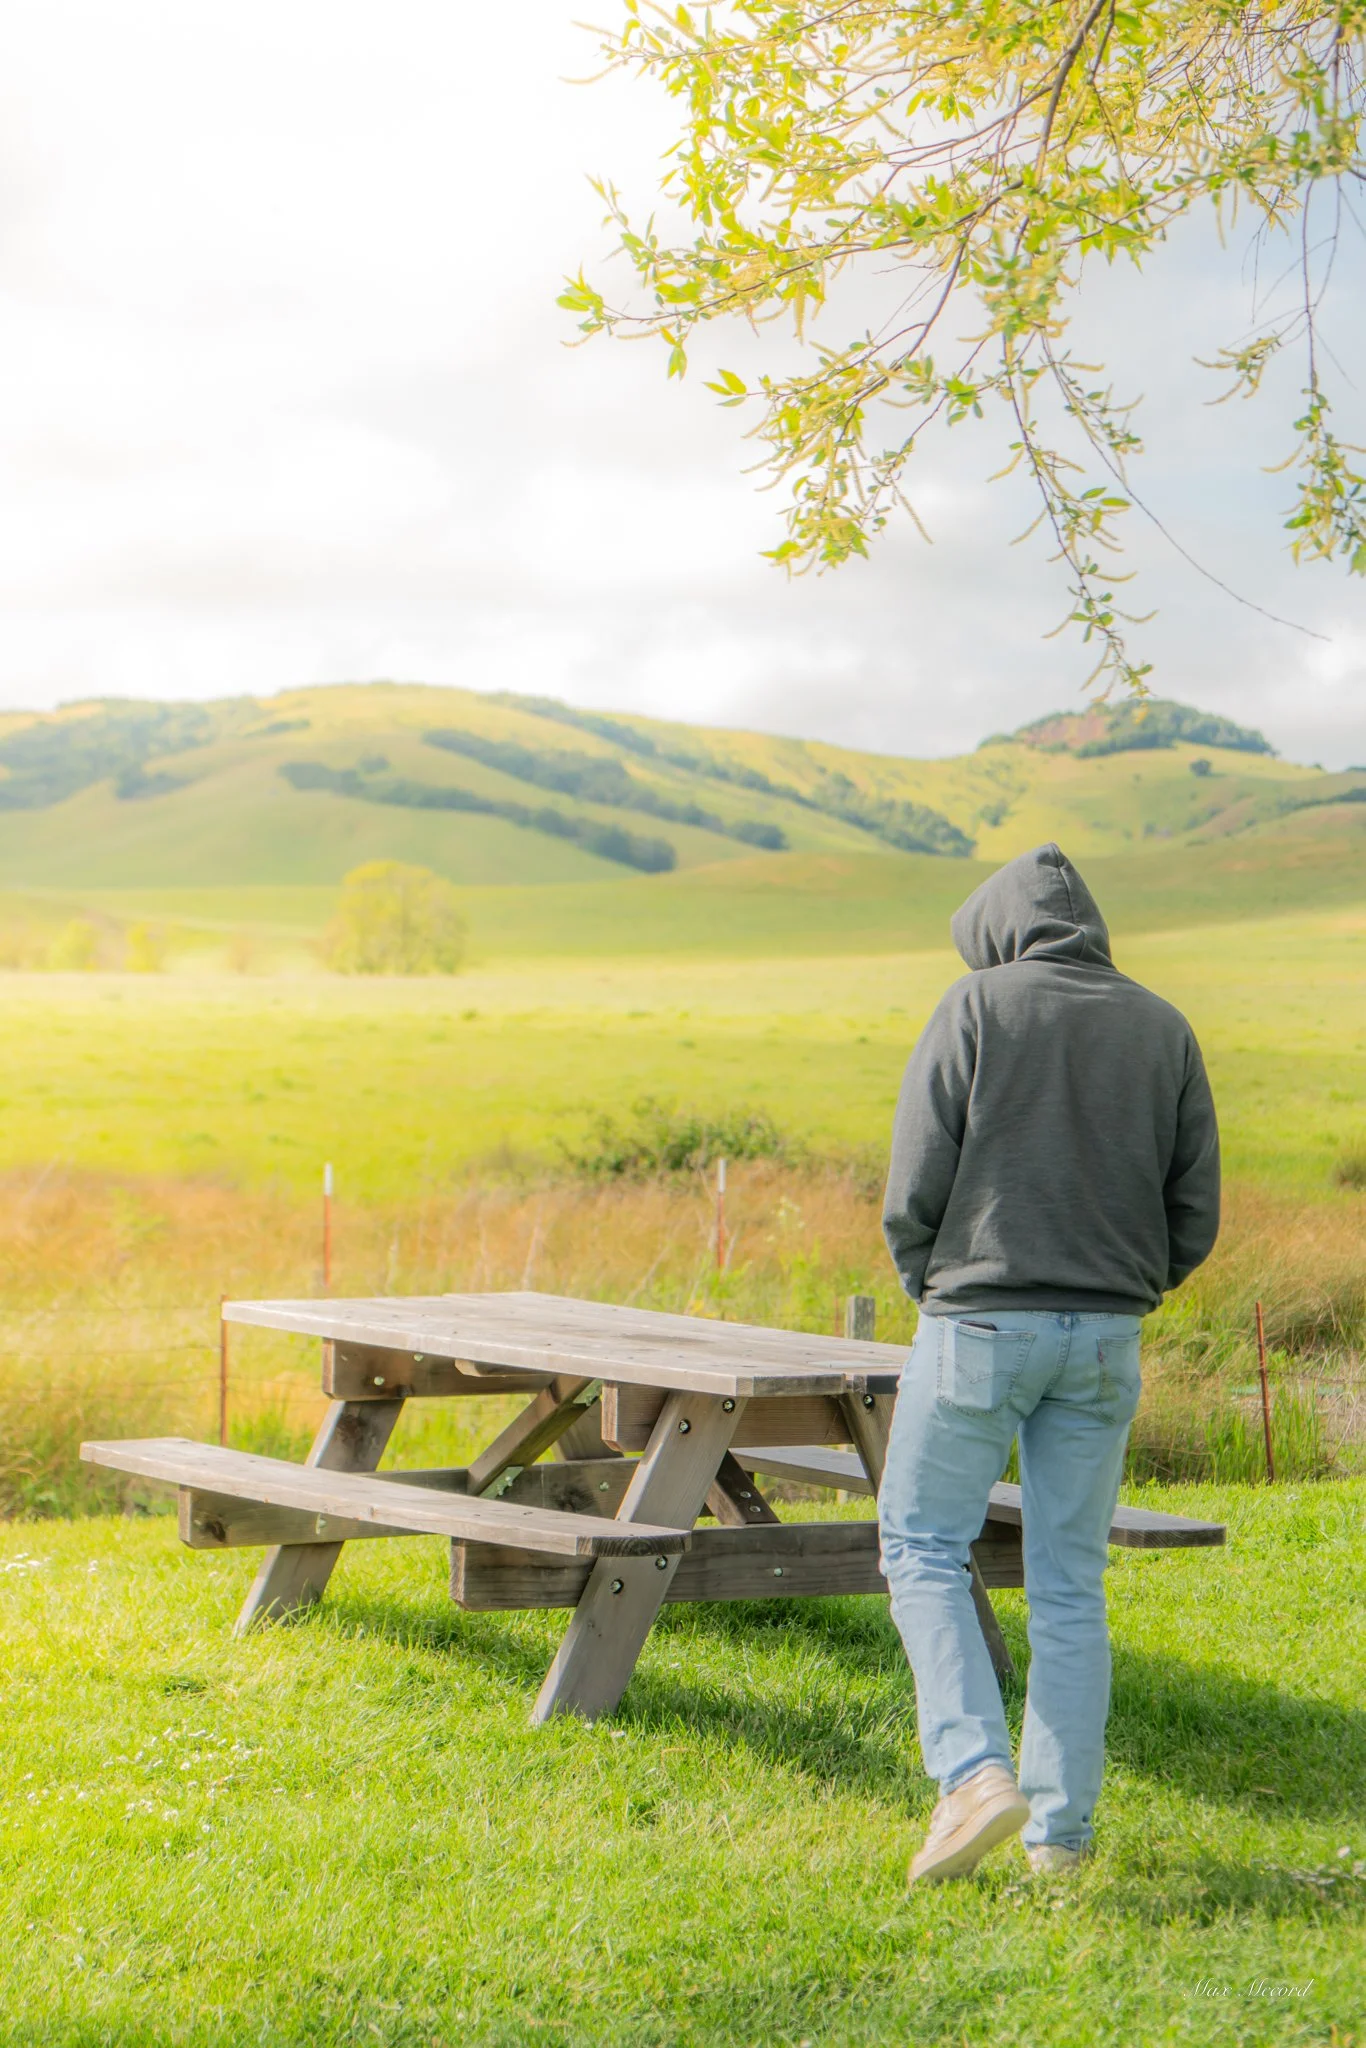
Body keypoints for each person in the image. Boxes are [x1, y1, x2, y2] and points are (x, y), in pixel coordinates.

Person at [879, 842, 1220, 1883]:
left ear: (996, 929)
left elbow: (914, 1182)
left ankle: (974, 1774)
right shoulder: (1164, 1025)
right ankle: (1059, 1840)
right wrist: (1131, 1287)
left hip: (978, 1321)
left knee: (923, 1542)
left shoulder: (974, 1006)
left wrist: (929, 1282)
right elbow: (1192, 1208)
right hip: (1107, 1333)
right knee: (1071, 1583)